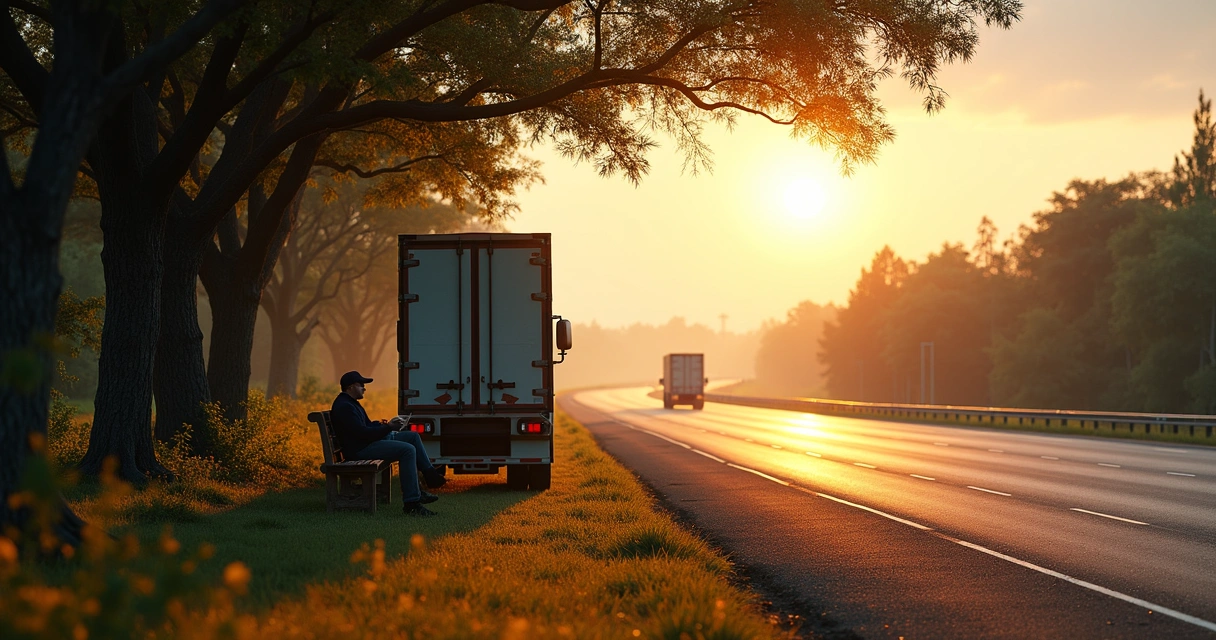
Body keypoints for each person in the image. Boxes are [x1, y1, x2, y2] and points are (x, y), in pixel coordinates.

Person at [331, 371, 447, 516]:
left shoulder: (351, 403)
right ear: (350, 387)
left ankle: (430, 475)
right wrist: (389, 428)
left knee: (412, 437)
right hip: (360, 449)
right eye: (361, 385)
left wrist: (384, 425)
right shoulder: (345, 407)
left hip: (364, 443)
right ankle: (412, 503)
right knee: (407, 450)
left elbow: (366, 426)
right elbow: (363, 433)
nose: (364, 388)